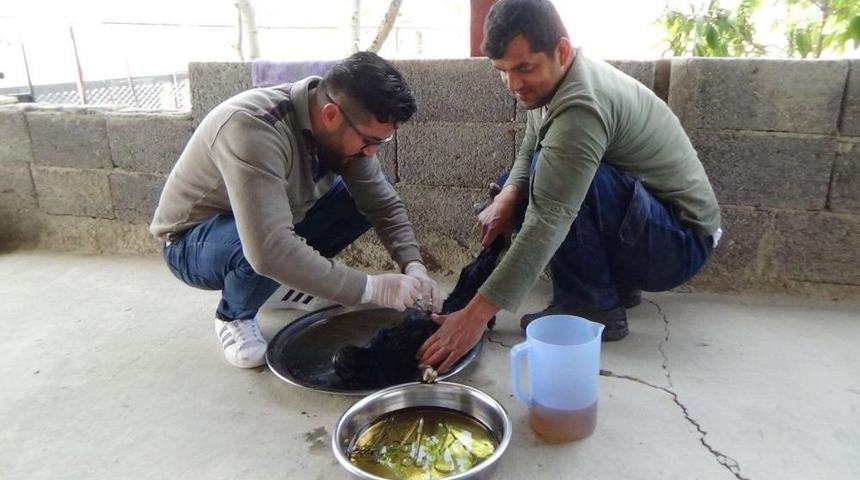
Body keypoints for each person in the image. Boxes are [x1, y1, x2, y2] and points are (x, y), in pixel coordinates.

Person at [418, 0, 722, 373]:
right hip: (651, 225)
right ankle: (612, 285)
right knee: (520, 185)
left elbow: (547, 221)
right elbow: (532, 143)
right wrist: (510, 195)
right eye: (502, 71)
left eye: (523, 68)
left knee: (558, 184)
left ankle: (591, 305)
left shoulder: (580, 106)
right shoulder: (555, 84)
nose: (513, 85)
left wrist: (474, 316)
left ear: (561, 50)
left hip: (678, 244)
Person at [151, 52, 445, 369]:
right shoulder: (252, 128)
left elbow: (382, 203)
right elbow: (268, 249)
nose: (371, 152)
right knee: (264, 250)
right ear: (331, 114)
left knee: (359, 199)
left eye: (381, 143)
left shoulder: (342, 129)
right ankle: (233, 315)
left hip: (270, 225)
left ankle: (277, 284)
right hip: (192, 242)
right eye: (369, 140)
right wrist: (369, 288)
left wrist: (413, 264)